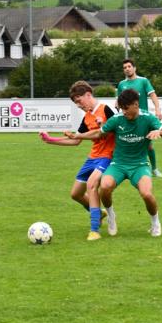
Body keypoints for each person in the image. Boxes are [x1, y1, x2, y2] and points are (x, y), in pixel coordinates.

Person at [73, 88, 162, 237]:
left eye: (126, 108)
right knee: (104, 187)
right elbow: (99, 133)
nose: (124, 112)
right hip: (118, 164)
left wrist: (159, 131)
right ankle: (111, 216)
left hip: (139, 164)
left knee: (146, 194)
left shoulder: (148, 118)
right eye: (122, 108)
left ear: (136, 104)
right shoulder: (117, 119)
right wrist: (78, 136)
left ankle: (155, 222)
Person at [40, 81, 116, 241]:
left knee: (92, 185)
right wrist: (51, 140)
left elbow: (108, 131)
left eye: (79, 101)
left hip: (107, 156)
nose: (78, 105)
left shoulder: (106, 109)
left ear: (88, 94)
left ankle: (94, 230)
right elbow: (75, 140)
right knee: (75, 194)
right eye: (76, 103)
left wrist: (96, 128)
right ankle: (99, 213)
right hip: (92, 157)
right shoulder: (87, 117)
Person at [118, 58, 162, 177]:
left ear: (134, 68)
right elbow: (119, 100)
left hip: (143, 119)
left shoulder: (143, 81)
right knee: (127, 143)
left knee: (148, 145)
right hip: (128, 119)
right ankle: (126, 168)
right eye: (125, 68)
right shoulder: (122, 84)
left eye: (129, 66)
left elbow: (152, 95)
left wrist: (157, 109)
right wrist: (118, 106)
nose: (127, 69)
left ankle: (154, 169)